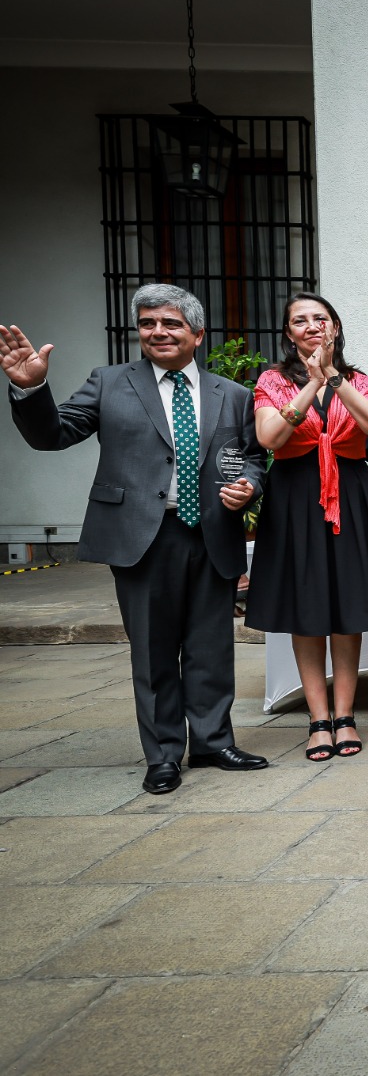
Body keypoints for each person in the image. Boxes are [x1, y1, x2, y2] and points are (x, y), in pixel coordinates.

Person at [4, 284, 269, 794]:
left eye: (170, 323)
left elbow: (253, 455)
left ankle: (213, 742)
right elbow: (52, 434)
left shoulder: (232, 394)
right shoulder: (108, 383)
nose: (157, 332)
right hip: (140, 535)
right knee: (152, 649)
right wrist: (30, 390)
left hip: (211, 532)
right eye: (147, 323)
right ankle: (164, 754)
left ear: (197, 332)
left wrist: (249, 485)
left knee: (211, 646)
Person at [249, 292, 368, 762]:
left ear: (335, 327)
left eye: (321, 318)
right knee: (306, 608)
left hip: (351, 495)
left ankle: (346, 714)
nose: (312, 325)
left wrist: (331, 376)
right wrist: (311, 385)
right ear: (289, 332)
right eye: (300, 320)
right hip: (295, 497)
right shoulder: (272, 381)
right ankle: (318, 719)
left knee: (347, 608)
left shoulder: (359, 379)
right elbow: (270, 437)